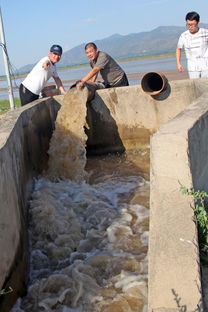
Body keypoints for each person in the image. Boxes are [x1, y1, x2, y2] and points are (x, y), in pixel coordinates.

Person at [176, 11, 208, 79]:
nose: (190, 27)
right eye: (188, 24)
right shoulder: (183, 36)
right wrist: (178, 63)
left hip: (206, 67)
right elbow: (178, 48)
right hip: (192, 68)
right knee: (196, 87)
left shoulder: (205, 33)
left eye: (192, 24)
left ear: (198, 22)